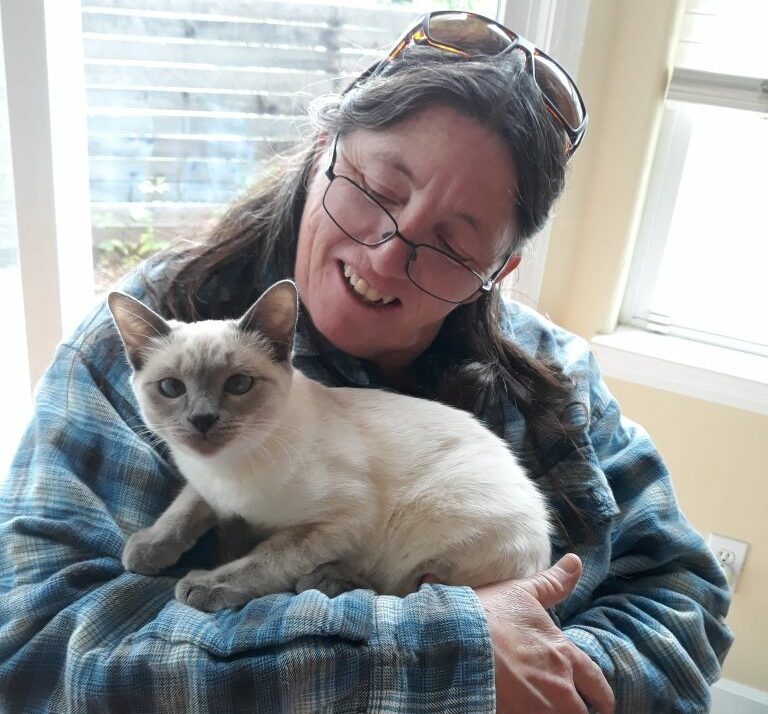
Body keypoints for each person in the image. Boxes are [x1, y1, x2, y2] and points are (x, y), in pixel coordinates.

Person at [0, 11, 732, 713]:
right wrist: (453, 662)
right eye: (377, 190)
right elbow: (39, 655)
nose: (385, 256)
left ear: (498, 273)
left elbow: (682, 600)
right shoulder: (145, 338)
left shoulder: (554, 371)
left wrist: (552, 680)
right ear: (324, 151)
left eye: (450, 243)